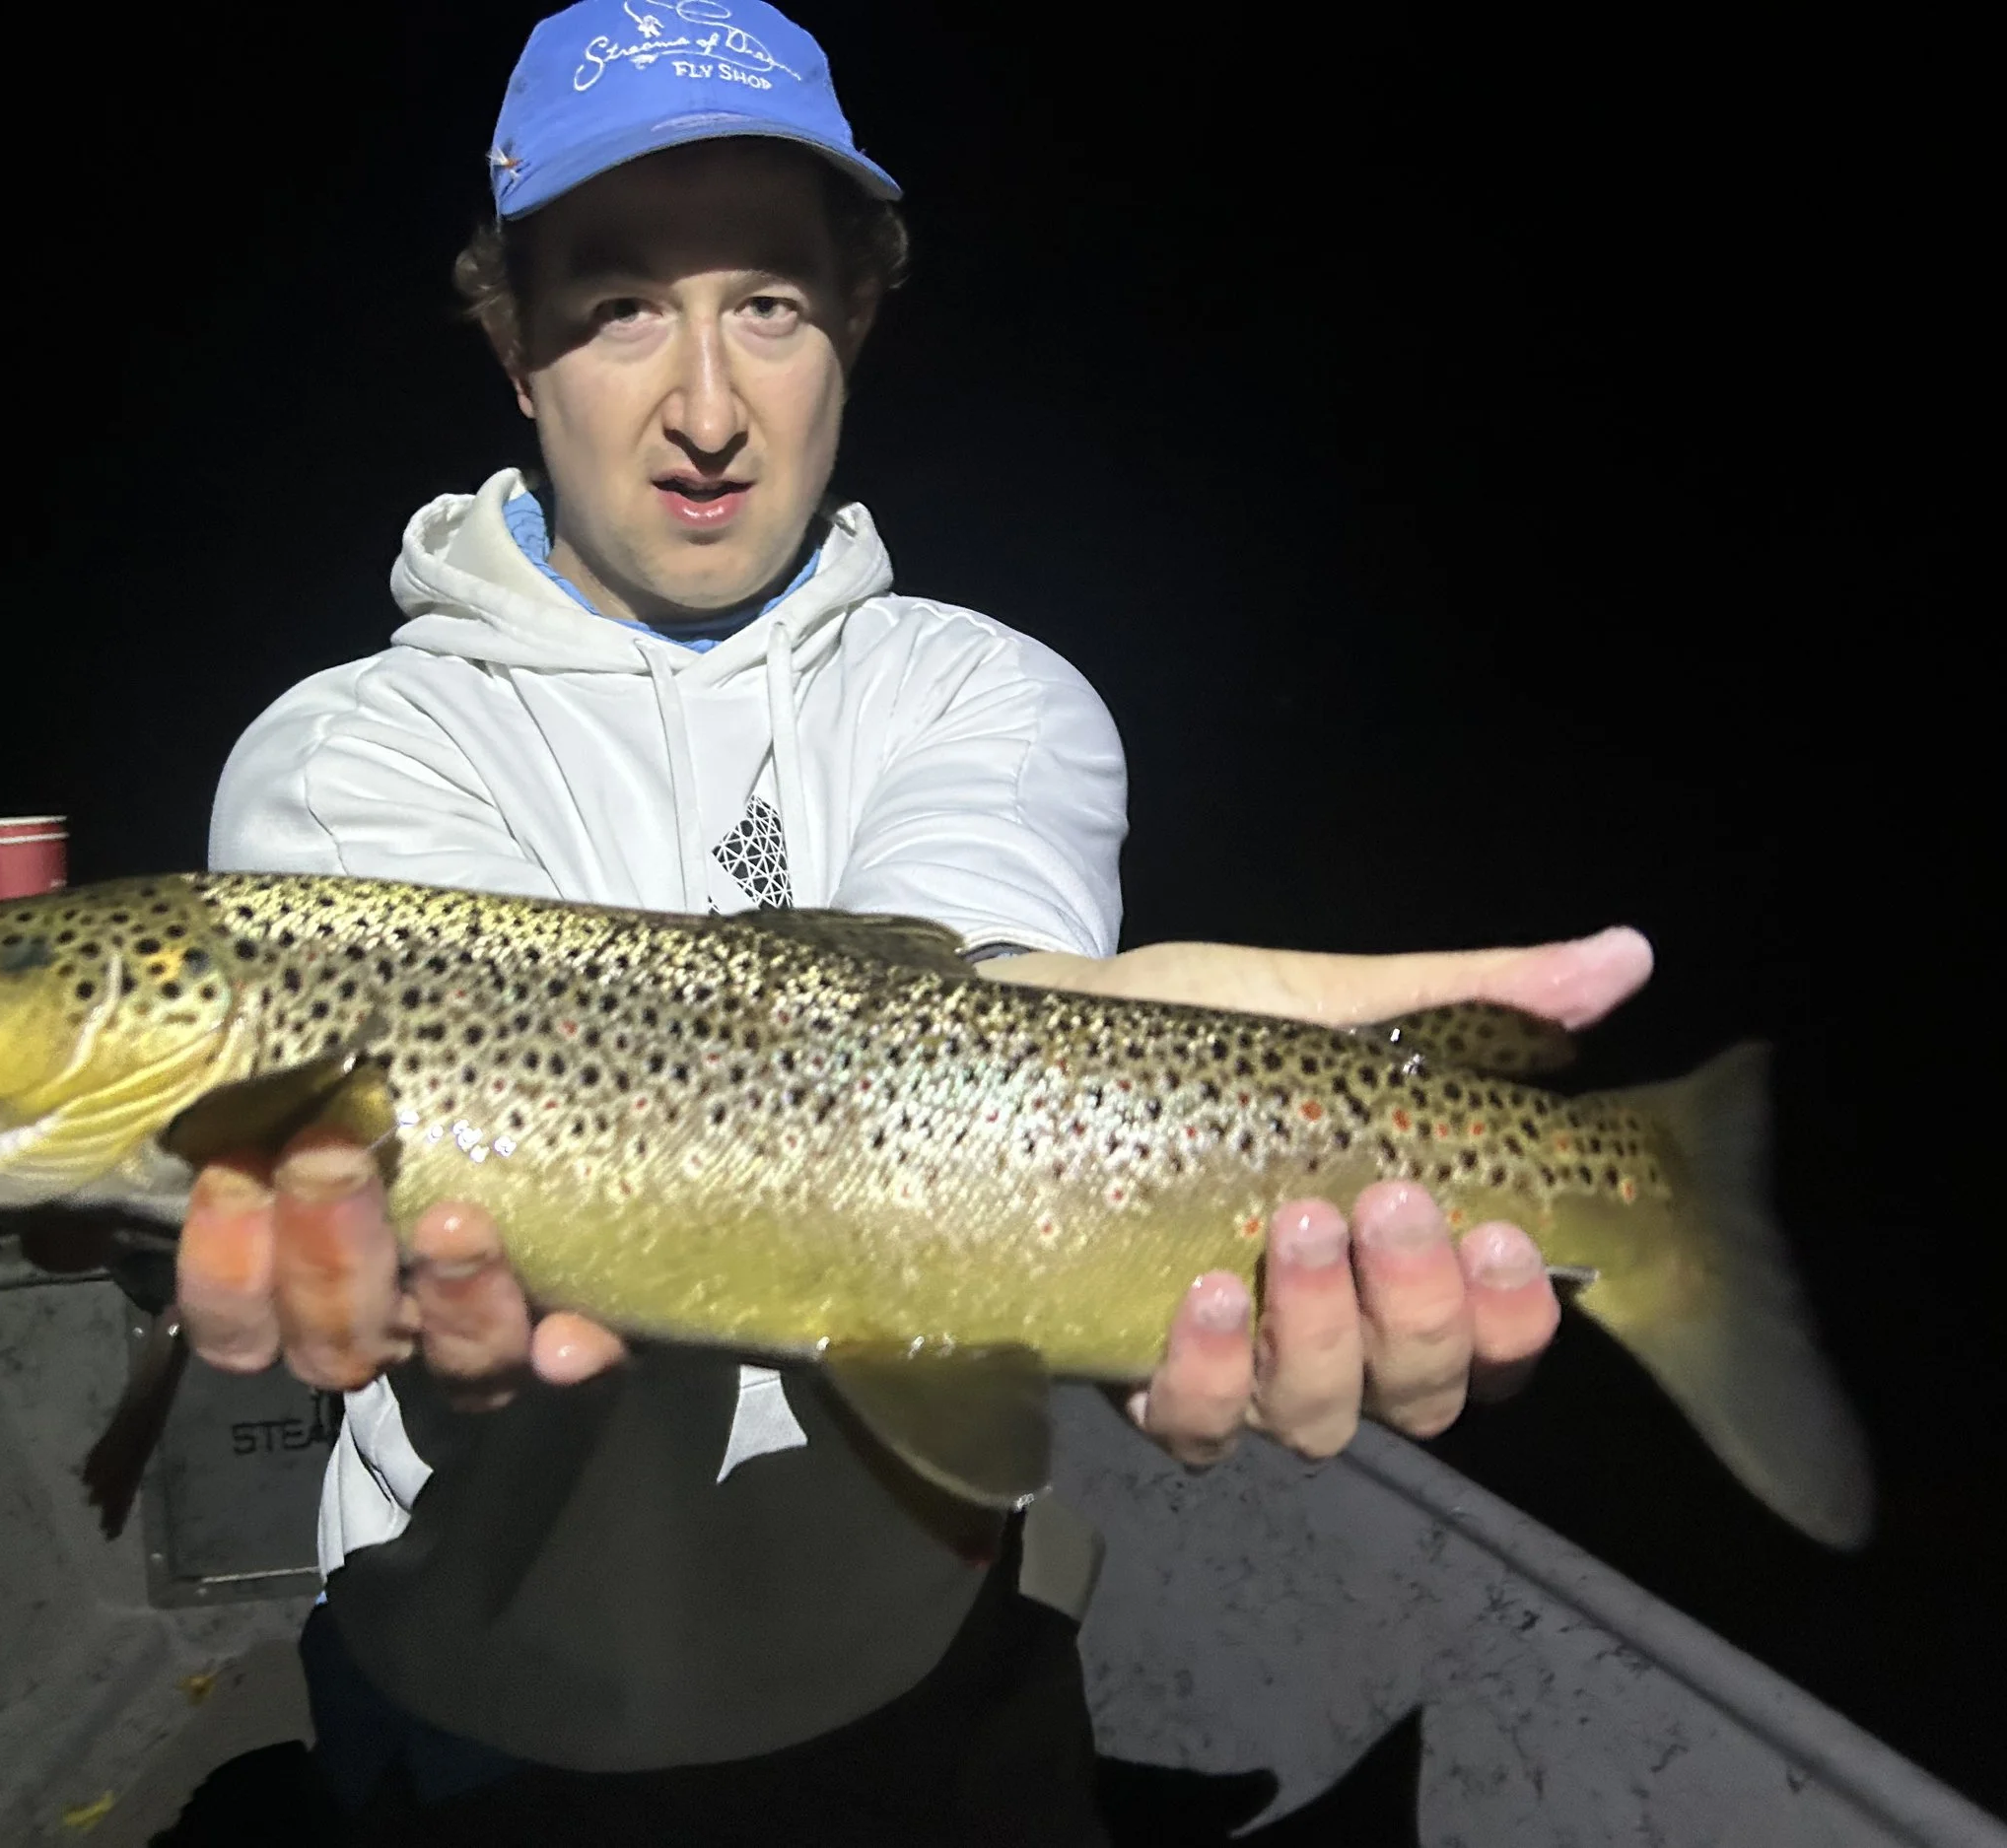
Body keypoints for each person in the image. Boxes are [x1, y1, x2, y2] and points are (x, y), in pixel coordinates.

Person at [189, 3, 1652, 1839]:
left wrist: (1238, 1106)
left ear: (857, 317)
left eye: (771, 306)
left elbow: (975, 994)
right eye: (621, 304)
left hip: (933, 1677)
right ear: (511, 343)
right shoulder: (351, 751)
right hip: (488, 1717)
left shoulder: (990, 690)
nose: (706, 406)